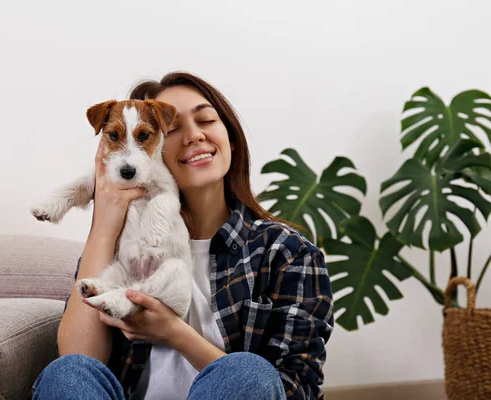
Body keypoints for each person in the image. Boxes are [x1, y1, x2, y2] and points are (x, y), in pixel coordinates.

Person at [32, 72, 334, 400]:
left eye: (206, 119)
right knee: (67, 372)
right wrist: (104, 224)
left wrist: (174, 333)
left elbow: (295, 388)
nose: (193, 136)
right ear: (152, 149)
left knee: (248, 372)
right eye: (173, 127)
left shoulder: (285, 252)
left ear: (230, 138)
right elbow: (80, 359)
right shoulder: (121, 242)